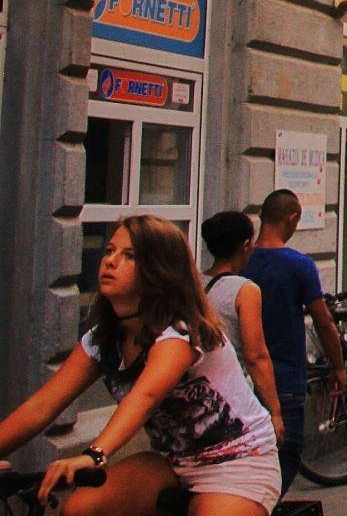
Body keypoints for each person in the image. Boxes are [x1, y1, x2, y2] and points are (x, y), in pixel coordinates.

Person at [0, 215, 281, 515]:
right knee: (80, 509)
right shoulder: (103, 340)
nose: (110, 261)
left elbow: (144, 398)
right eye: (109, 251)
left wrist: (95, 455)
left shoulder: (183, 332)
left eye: (130, 256)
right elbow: (41, 407)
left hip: (239, 462)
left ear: (160, 270)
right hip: (172, 462)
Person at [241, 189, 347, 493]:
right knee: (285, 459)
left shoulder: (243, 261)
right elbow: (323, 322)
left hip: (243, 379)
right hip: (284, 377)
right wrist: (337, 366)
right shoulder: (298, 265)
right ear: (292, 218)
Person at [198, 212, 286, 445]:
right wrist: (275, 411)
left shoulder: (194, 282)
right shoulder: (245, 290)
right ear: (246, 245)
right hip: (232, 401)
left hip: (196, 397)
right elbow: (255, 356)